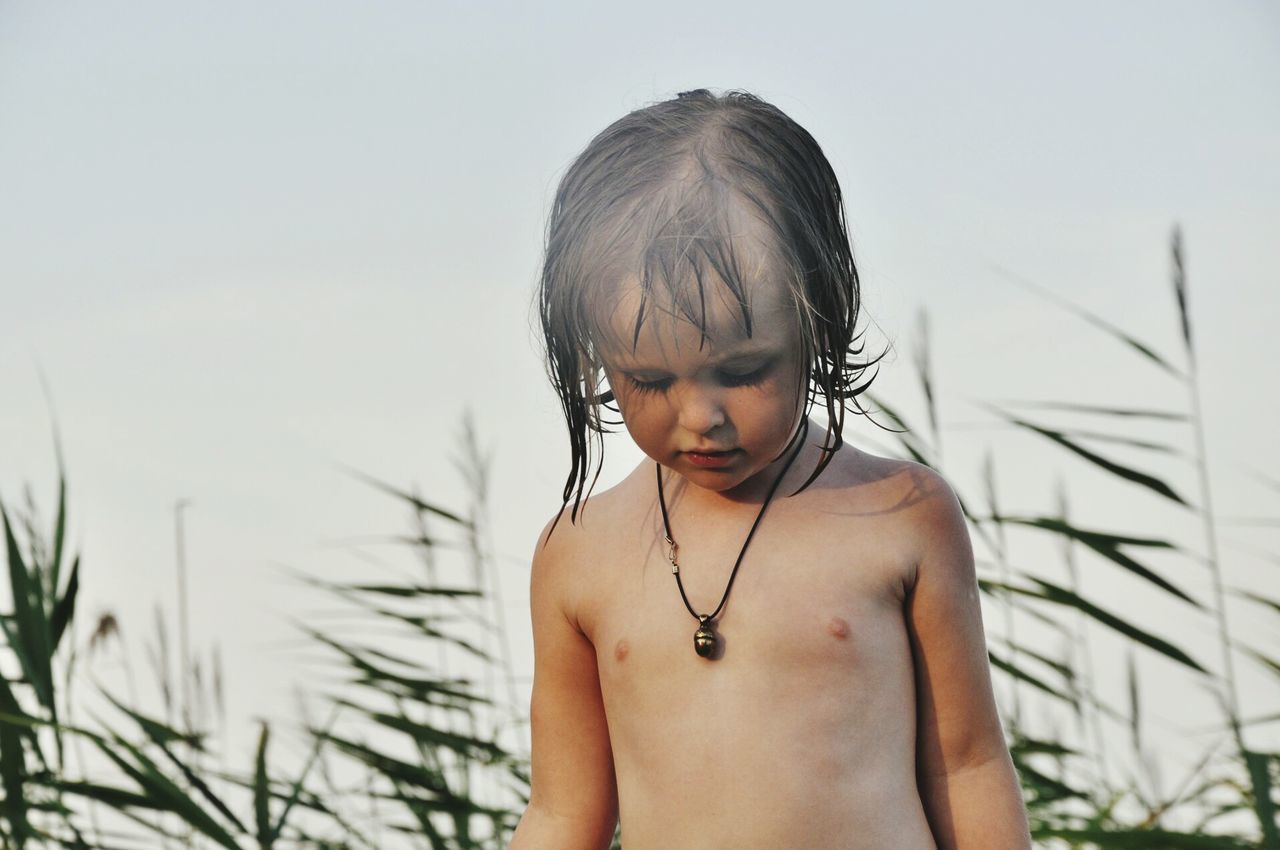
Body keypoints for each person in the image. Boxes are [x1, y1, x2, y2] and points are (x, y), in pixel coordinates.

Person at [509, 89, 1030, 850]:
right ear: (597, 357)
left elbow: (966, 766)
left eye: (743, 369)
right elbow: (562, 811)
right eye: (650, 381)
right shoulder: (578, 553)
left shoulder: (900, 514)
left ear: (814, 318)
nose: (700, 417)